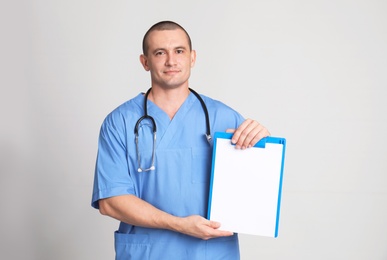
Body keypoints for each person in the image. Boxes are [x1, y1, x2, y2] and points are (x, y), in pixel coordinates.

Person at [91, 20, 270, 259]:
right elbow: (111, 201)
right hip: (148, 253)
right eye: (159, 53)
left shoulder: (225, 118)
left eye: (179, 51)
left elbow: (256, 193)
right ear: (145, 62)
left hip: (210, 253)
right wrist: (180, 224)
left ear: (192, 58)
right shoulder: (119, 122)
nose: (171, 61)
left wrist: (263, 148)